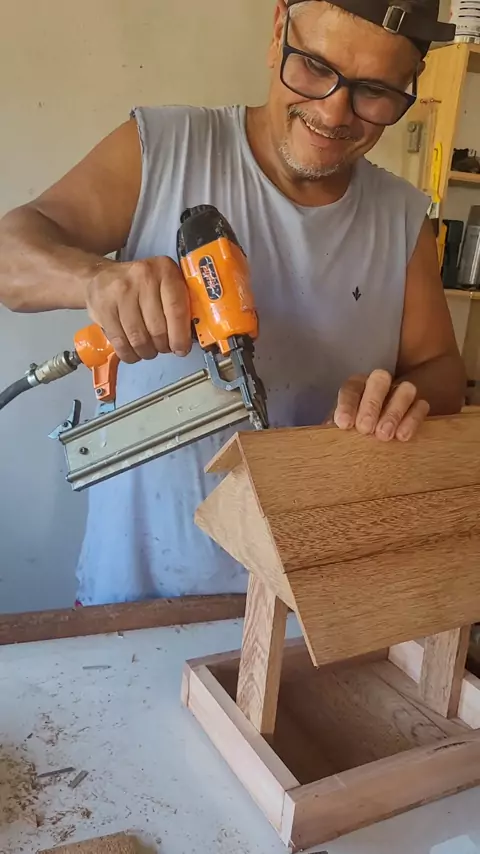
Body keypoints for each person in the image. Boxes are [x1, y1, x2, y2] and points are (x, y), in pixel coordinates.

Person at [0, 0, 466, 605]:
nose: (333, 112)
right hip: (135, 597)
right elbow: (9, 259)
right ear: (278, 31)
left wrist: (394, 399)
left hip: (307, 602)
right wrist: (94, 280)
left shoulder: (402, 218)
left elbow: (442, 372)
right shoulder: (164, 149)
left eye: (374, 90)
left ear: (410, 83)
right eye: (315, 66)